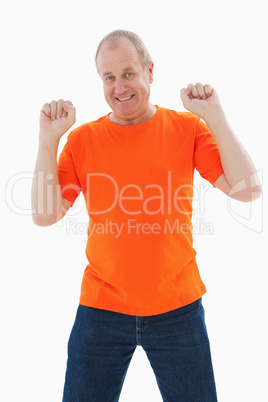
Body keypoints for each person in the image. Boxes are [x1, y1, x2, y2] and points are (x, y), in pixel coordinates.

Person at [31, 29, 262, 402]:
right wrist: (48, 139)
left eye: (127, 73)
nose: (119, 87)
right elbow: (45, 215)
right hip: (101, 310)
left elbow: (248, 189)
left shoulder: (186, 129)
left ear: (150, 71)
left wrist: (215, 117)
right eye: (109, 78)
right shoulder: (82, 141)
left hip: (178, 311)